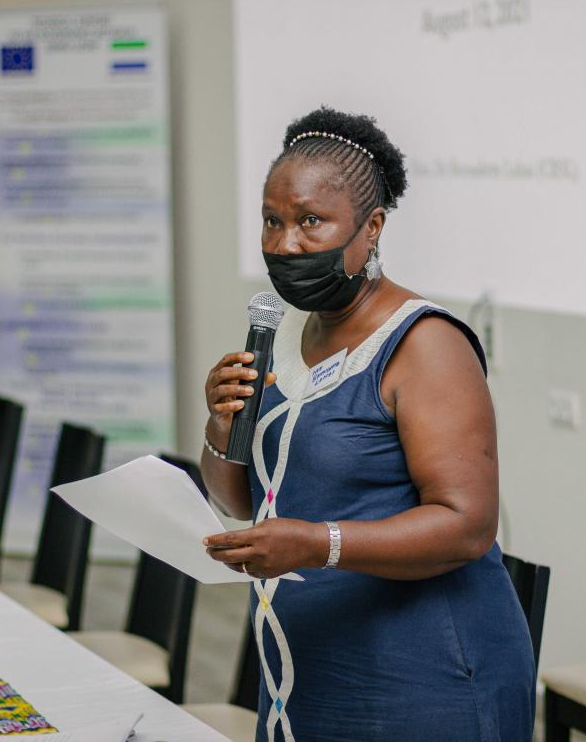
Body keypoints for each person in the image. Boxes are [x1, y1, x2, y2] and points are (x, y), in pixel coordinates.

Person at [201, 107, 534, 742]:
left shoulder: (425, 343)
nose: (284, 243)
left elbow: (467, 524)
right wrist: (222, 427)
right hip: (310, 672)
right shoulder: (287, 338)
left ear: (372, 227)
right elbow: (243, 499)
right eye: (272, 221)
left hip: (428, 679)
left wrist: (316, 544)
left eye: (310, 221)